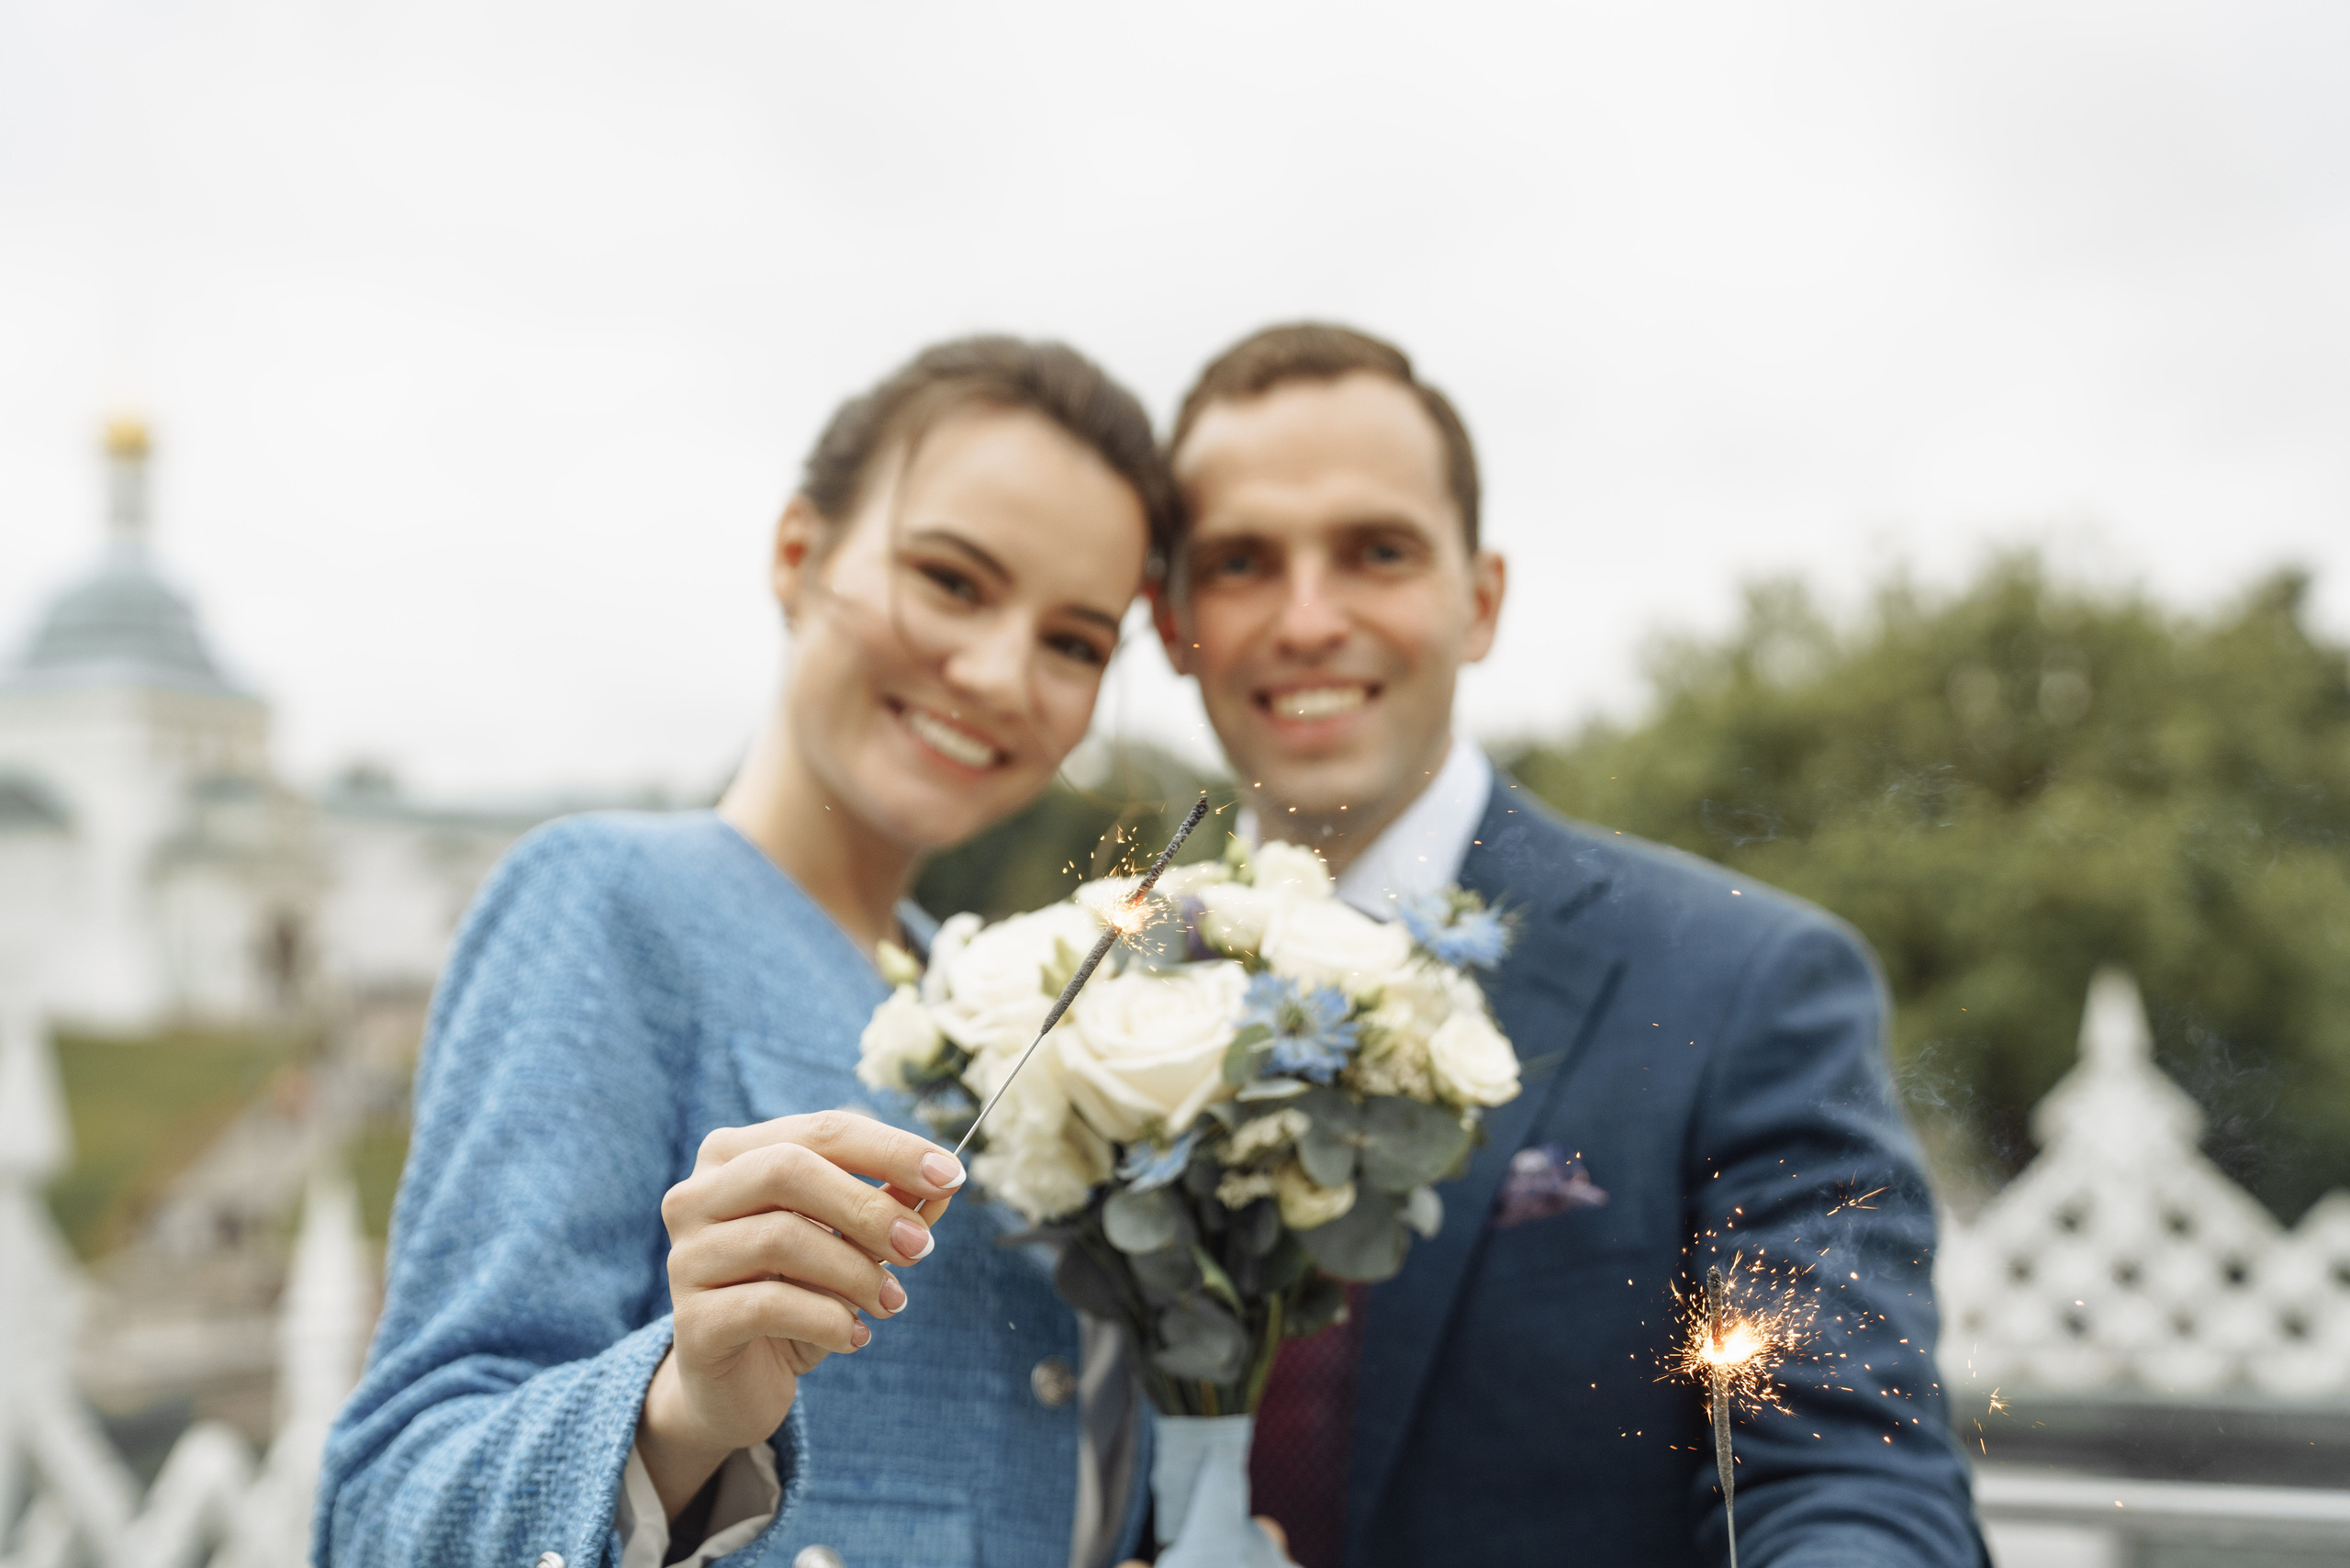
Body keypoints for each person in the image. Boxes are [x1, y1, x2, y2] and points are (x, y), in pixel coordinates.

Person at [316, 337, 1176, 1568]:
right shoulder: (607, 903)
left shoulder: (987, 996)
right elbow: (386, 1513)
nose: (999, 675)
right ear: (798, 554)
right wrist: (681, 1410)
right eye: (951, 580)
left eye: (1076, 643)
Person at [1142, 322, 1988, 1567]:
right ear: (1172, 622)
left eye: (1378, 552)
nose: (1308, 618)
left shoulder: (1744, 988)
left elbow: (1850, 1482)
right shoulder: (1099, 999)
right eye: (1241, 562)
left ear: (1479, 600)